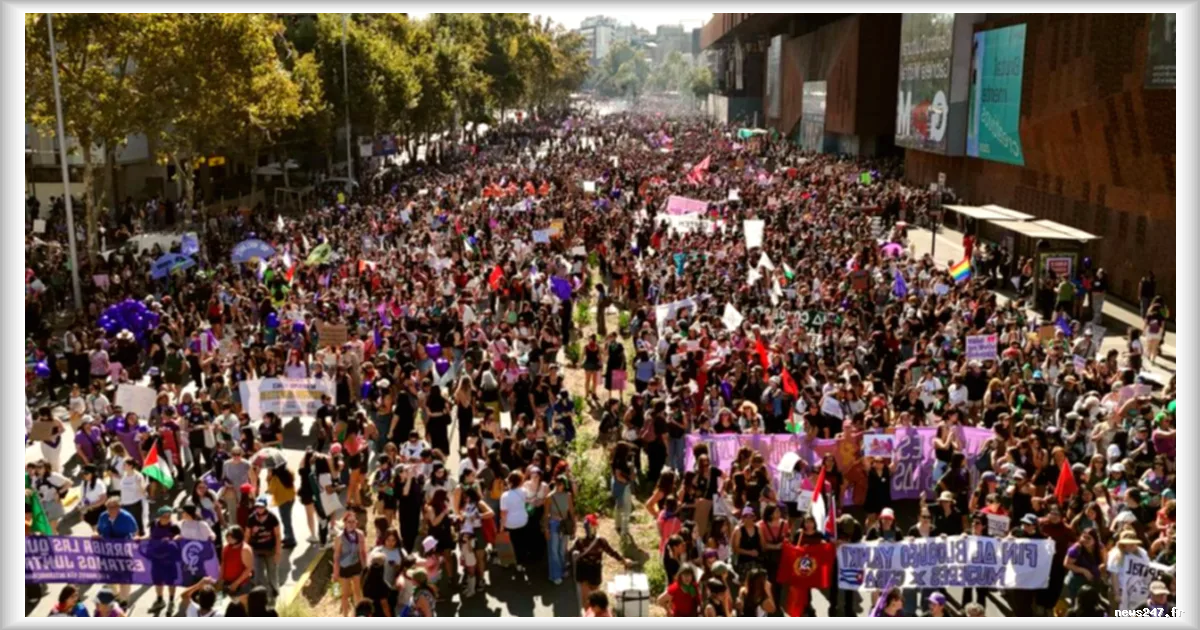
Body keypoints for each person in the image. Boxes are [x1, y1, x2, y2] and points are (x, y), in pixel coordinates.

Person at [568, 514, 632, 612]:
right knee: (595, 599)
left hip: (583, 569)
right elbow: (612, 553)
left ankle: (587, 614)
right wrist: (623, 561)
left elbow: (569, 554)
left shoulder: (580, 542)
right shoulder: (601, 542)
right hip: (595, 570)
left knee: (586, 600)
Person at [333, 511, 367, 617]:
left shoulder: (360, 534)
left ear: (356, 523)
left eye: (353, 522)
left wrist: (365, 567)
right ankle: (345, 615)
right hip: (344, 568)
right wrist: (335, 572)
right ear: (345, 523)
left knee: (357, 592)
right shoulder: (340, 537)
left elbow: (362, 552)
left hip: (356, 565)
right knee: (345, 594)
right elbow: (337, 555)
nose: (351, 524)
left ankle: (359, 614)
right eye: (349, 522)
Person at [246, 496, 282, 595]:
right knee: (258, 575)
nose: (259, 509)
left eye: (261, 507)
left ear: (265, 507)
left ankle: (274, 590)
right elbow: (247, 535)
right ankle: (261, 595)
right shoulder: (251, 518)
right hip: (256, 551)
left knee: (272, 573)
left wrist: (278, 551)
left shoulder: (272, 518)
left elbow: (278, 535)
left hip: (270, 550)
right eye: (257, 506)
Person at [219, 526, 255, 607]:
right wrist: (220, 579)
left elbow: (249, 569)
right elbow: (223, 563)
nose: (228, 539)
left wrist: (236, 583)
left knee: (244, 607)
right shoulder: (226, 548)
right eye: (227, 537)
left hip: (242, 585)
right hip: (228, 583)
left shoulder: (245, 549)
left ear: (237, 537)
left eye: (230, 537)